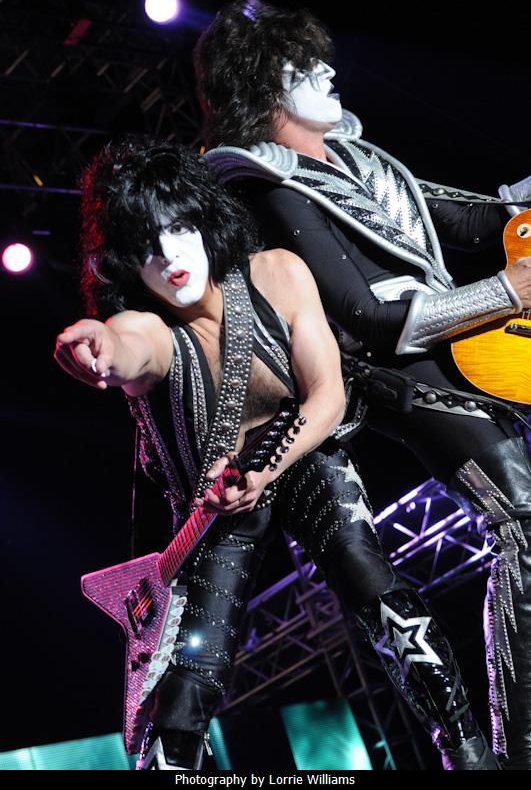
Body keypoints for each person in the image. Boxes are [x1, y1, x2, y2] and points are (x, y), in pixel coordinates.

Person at [55, 138, 499, 771]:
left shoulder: (277, 273)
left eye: (178, 228)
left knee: (378, 592)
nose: (169, 255)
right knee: (188, 683)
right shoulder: (149, 327)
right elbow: (127, 347)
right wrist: (95, 343)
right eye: (147, 245)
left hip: (299, 455)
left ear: (204, 219)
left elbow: (328, 396)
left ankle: (469, 757)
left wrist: (264, 470)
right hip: (211, 509)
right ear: (127, 263)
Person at [194, 0, 531, 770]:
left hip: (457, 348)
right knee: (518, 521)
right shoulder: (265, 184)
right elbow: (365, 317)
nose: (327, 71)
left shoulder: (358, 160)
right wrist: (505, 292)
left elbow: (474, 221)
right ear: (265, 89)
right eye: (303, 66)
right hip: (385, 374)